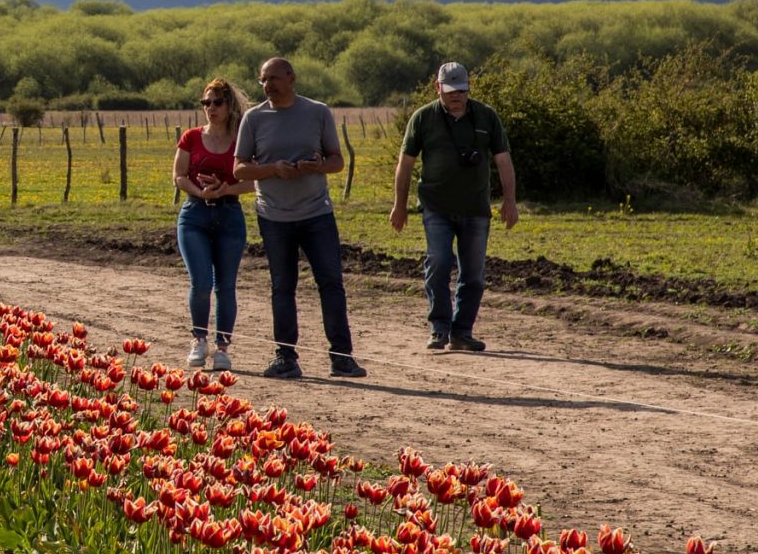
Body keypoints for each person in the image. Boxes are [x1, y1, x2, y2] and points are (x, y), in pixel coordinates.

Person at [233, 57, 363, 380]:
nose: (268, 85)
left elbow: (337, 161)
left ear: (291, 78)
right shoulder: (253, 118)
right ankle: (286, 357)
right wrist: (273, 169)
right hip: (274, 216)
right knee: (282, 287)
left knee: (331, 283)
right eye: (263, 79)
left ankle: (342, 357)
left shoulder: (317, 112)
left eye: (274, 78)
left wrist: (316, 167)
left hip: (316, 212)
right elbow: (239, 168)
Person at [392, 61, 519, 353]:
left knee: (473, 273)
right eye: (449, 90)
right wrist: (399, 205)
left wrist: (509, 201)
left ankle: (462, 332)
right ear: (438, 88)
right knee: (437, 262)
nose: (456, 96)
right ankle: (440, 328)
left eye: (461, 90)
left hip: (476, 208)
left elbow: (503, 161)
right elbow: (405, 165)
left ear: (468, 87)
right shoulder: (422, 118)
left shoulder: (487, 117)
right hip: (436, 206)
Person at [173, 78, 253, 373]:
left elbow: (253, 181)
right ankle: (198, 339)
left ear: (229, 104)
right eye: (206, 103)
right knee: (201, 282)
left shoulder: (241, 139)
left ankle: (222, 347)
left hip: (229, 214)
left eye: (217, 102)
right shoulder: (191, 137)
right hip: (195, 214)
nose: (211, 108)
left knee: (226, 286)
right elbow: (179, 176)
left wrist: (225, 189)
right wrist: (199, 191)